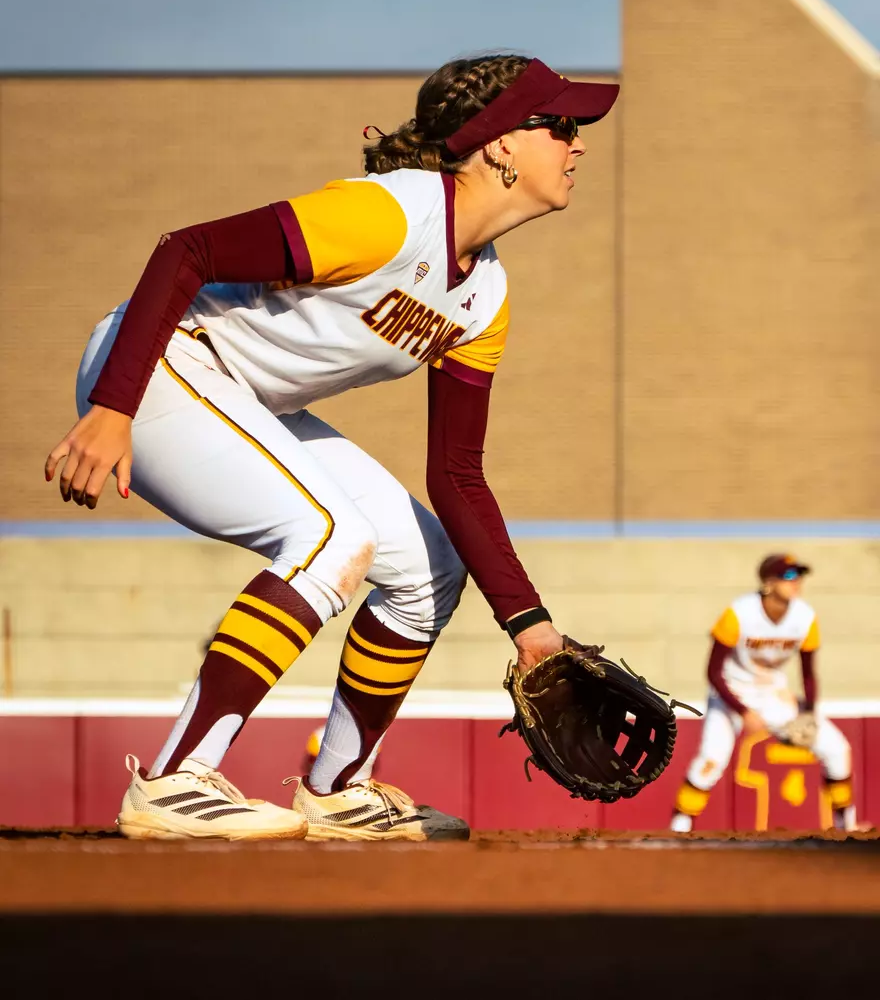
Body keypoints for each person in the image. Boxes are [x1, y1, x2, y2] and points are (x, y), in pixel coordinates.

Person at [45, 53, 619, 842]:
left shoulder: (484, 295)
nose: (577, 142)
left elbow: (456, 473)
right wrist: (114, 407)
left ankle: (339, 788)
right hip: (158, 364)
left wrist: (532, 630)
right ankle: (175, 779)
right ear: (499, 146)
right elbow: (188, 251)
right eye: (559, 125)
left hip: (243, 398)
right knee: (331, 537)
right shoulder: (392, 215)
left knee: (428, 568)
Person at [670, 554, 859, 833]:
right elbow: (712, 672)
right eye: (790, 576)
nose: (797, 582)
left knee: (837, 749)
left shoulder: (804, 617)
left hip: (773, 694)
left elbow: (808, 673)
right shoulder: (739, 613)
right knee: (712, 758)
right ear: (769, 582)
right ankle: (679, 826)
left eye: (799, 575)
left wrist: (808, 712)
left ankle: (847, 824)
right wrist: (743, 711)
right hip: (730, 693)